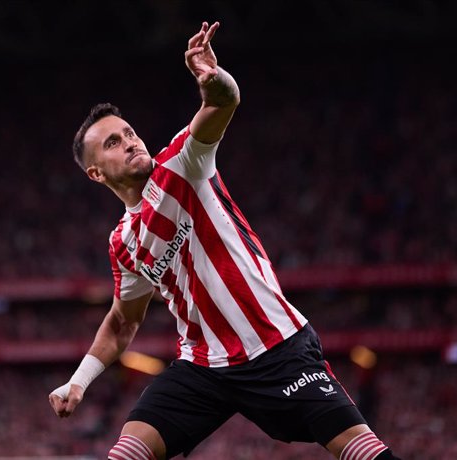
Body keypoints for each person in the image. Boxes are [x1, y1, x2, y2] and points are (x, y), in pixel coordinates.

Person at [49, 21, 401, 460]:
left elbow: (224, 102)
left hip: (275, 346)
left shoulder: (181, 165)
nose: (130, 142)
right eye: (114, 143)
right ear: (96, 173)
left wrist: (213, 79)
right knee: (126, 454)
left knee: (362, 451)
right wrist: (78, 382)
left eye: (130, 133)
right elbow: (123, 322)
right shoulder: (123, 242)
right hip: (203, 366)